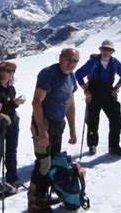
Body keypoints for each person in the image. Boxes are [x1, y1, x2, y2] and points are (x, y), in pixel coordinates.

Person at [27, 48, 79, 212]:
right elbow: (36, 102)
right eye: (68, 59)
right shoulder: (48, 74)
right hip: (44, 123)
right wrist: (42, 130)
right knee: (44, 163)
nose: (71, 63)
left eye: (75, 61)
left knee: (53, 162)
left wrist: (72, 129)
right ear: (60, 58)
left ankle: (43, 196)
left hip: (58, 124)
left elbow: (70, 104)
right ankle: (34, 200)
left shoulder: (71, 77)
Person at [75, 39, 121, 156]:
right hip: (94, 92)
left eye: (109, 50)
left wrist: (116, 87)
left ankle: (114, 146)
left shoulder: (115, 63)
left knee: (116, 118)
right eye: (104, 49)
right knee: (92, 120)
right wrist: (86, 90)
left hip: (109, 93)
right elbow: (78, 74)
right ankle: (92, 145)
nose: (106, 52)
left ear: (112, 52)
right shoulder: (93, 62)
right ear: (100, 50)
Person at [0, 61, 26, 191]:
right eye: (8, 71)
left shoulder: (10, 88)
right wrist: (14, 103)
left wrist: (15, 103)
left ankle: (12, 179)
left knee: (11, 151)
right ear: (0, 72)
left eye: (13, 71)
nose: (11, 74)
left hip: (12, 122)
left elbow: (8, 106)